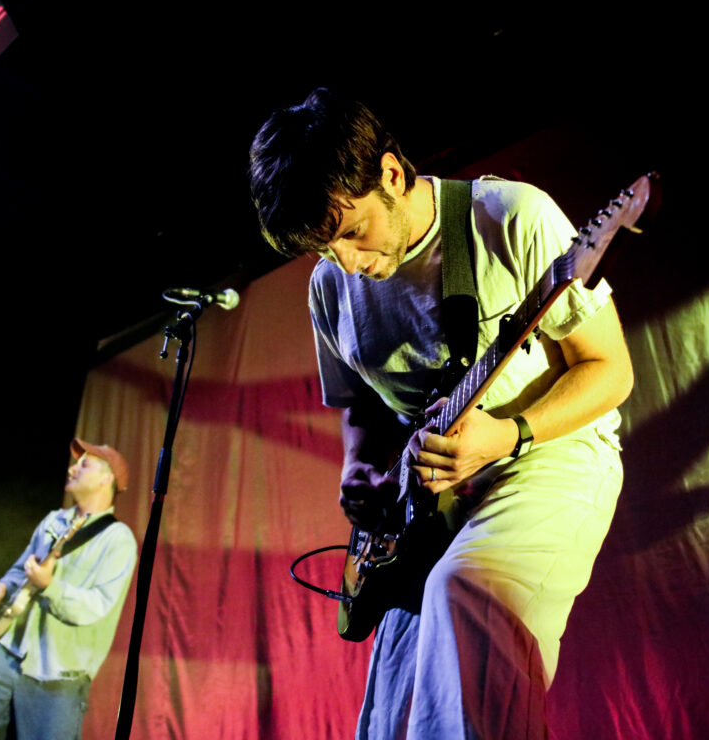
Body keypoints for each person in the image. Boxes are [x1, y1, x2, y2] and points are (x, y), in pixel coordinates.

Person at [249, 88, 634, 739]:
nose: (349, 264)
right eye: (322, 250)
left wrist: (509, 433)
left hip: (549, 457)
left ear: (392, 175)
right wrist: (358, 466)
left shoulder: (509, 216)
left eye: (350, 233)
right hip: (428, 507)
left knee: (465, 607)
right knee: (395, 713)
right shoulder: (329, 287)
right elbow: (363, 405)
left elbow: (610, 371)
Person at [0, 438, 138, 740]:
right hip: (7, 652)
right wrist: (3, 587)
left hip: (57, 674)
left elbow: (97, 606)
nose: (73, 469)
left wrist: (51, 586)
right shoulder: (53, 520)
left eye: (84, 465)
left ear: (106, 478)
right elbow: (22, 569)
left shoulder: (118, 539)